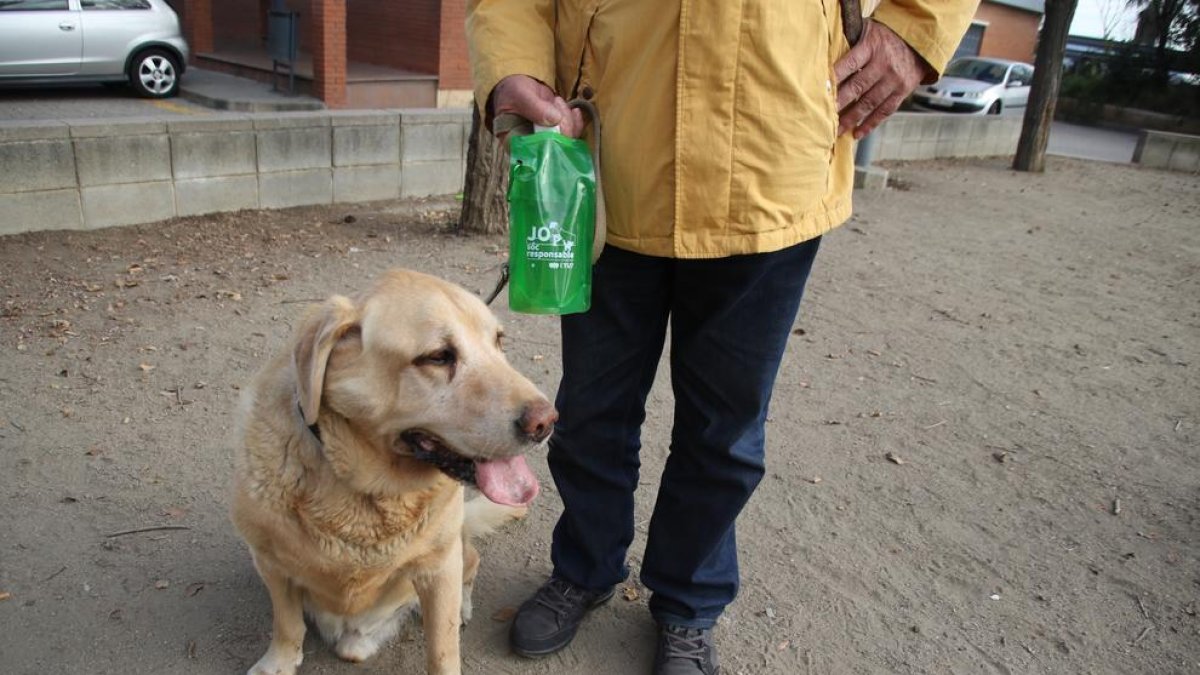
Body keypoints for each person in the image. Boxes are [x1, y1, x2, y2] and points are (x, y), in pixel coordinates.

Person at [466, 2, 976, 673]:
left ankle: (688, 601)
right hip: (611, 146)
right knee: (591, 411)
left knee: (726, 428)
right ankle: (585, 567)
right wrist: (512, 67)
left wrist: (916, 26)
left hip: (773, 153)